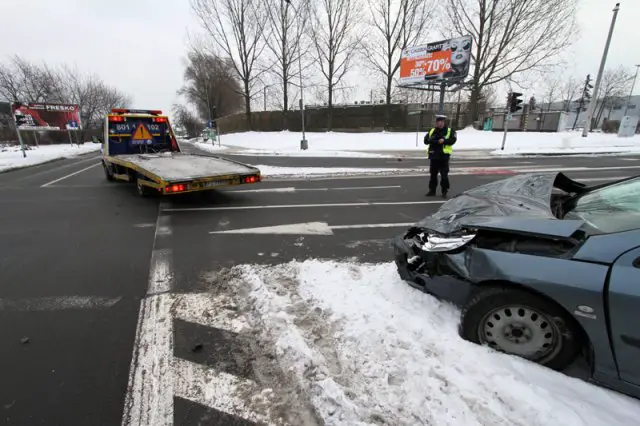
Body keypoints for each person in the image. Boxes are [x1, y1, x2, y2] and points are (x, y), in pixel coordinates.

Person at [424, 115, 457, 198]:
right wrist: (433, 140)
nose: (440, 123)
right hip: (434, 156)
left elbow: (453, 140)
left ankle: (444, 191)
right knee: (433, 175)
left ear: (444, 122)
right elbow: (426, 141)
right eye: (438, 122)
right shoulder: (432, 131)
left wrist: (444, 141)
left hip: (443, 156)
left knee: (444, 175)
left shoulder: (450, 130)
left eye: (442, 122)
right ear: (436, 123)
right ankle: (432, 190)